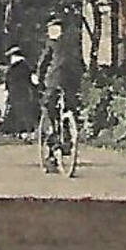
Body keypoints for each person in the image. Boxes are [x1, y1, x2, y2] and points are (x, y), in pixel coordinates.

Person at [33, 13, 82, 164]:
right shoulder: (73, 43)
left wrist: (38, 77)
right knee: (70, 105)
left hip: (54, 80)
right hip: (72, 81)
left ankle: (54, 135)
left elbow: (43, 63)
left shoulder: (51, 43)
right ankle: (68, 132)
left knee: (48, 105)